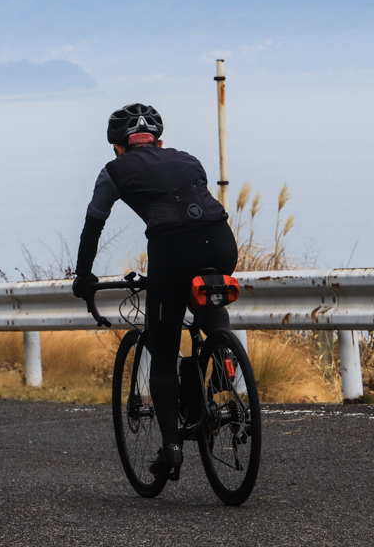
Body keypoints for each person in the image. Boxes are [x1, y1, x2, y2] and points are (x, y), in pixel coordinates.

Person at [73, 103, 237, 478]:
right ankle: (223, 357)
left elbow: (92, 226)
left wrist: (84, 278)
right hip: (222, 242)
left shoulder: (113, 170)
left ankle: (172, 448)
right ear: (159, 142)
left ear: (117, 146)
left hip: (172, 249)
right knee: (206, 295)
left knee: (163, 349)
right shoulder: (190, 160)